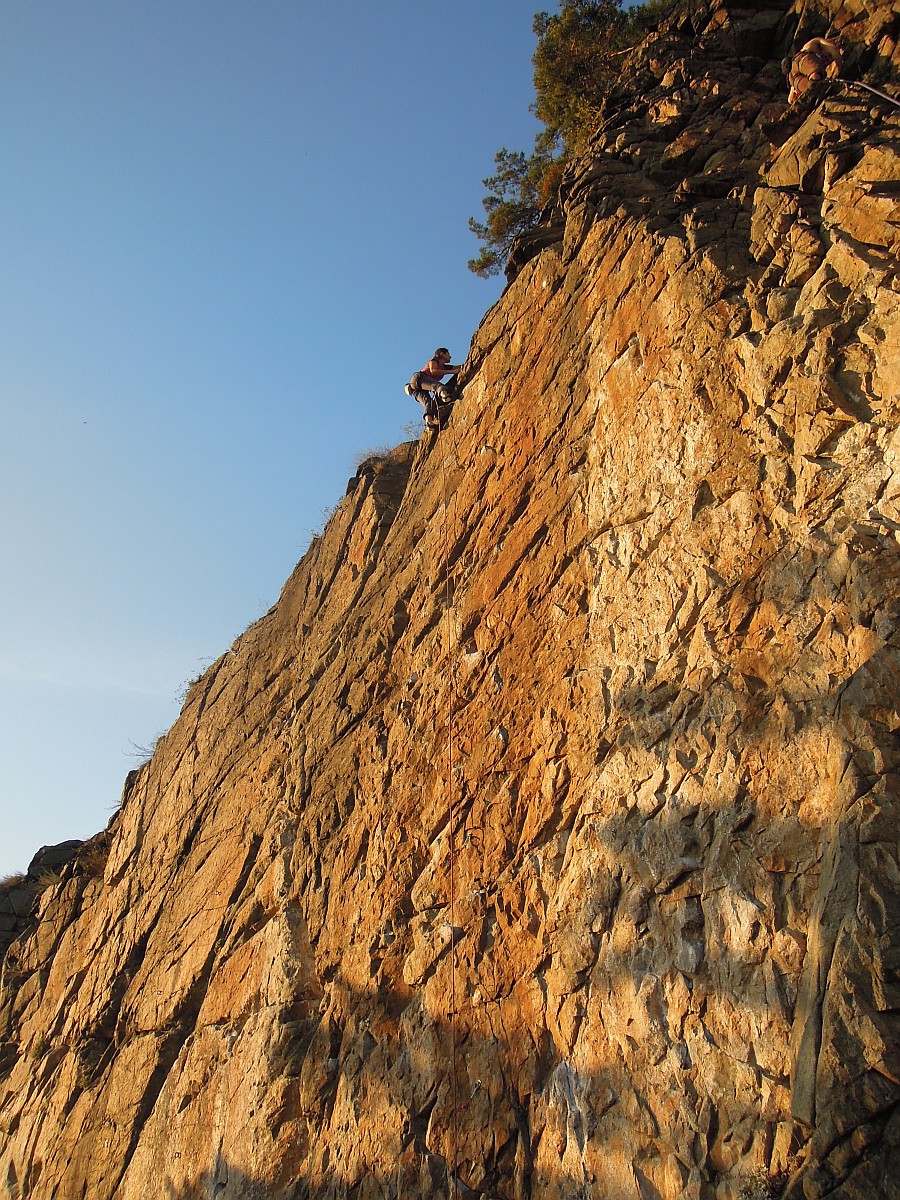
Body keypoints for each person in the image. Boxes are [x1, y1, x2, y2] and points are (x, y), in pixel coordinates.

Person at [406, 348, 463, 429]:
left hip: (416, 388)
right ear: (442, 354)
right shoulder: (434, 360)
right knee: (439, 387)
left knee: (428, 403)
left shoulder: (445, 367)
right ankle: (444, 396)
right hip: (419, 379)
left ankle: (429, 423)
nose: (450, 356)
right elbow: (433, 371)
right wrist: (452, 372)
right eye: (448, 354)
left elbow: (459, 367)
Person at [787, 37, 842, 102]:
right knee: (816, 76)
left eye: (830, 58)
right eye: (829, 55)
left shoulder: (817, 61)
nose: (828, 58)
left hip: (794, 77)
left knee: (813, 88)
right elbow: (835, 51)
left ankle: (802, 102)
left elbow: (790, 98)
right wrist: (839, 72)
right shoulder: (819, 42)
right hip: (803, 58)